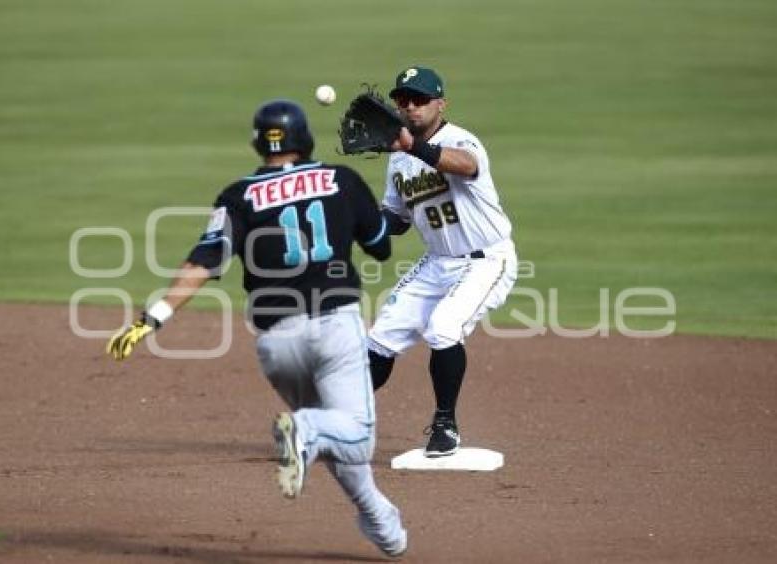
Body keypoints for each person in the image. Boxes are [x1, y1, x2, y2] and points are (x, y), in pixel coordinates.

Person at [106, 99, 407, 557]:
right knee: (353, 432)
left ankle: (378, 519)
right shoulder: (341, 180)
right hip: (335, 327)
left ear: (257, 143)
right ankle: (303, 433)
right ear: (304, 138)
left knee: (332, 432)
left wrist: (154, 317)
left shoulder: (237, 196)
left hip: (277, 343)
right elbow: (381, 246)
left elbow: (204, 262)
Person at [367, 66, 519, 457]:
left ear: (440, 104)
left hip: (487, 259)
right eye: (403, 100)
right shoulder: (398, 161)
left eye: (419, 100)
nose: (410, 107)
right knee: (380, 338)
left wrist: (412, 147)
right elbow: (397, 219)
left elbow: (465, 166)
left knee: (443, 327)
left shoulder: (460, 139)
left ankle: (446, 426)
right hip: (437, 262)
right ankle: (336, 421)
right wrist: (359, 223)